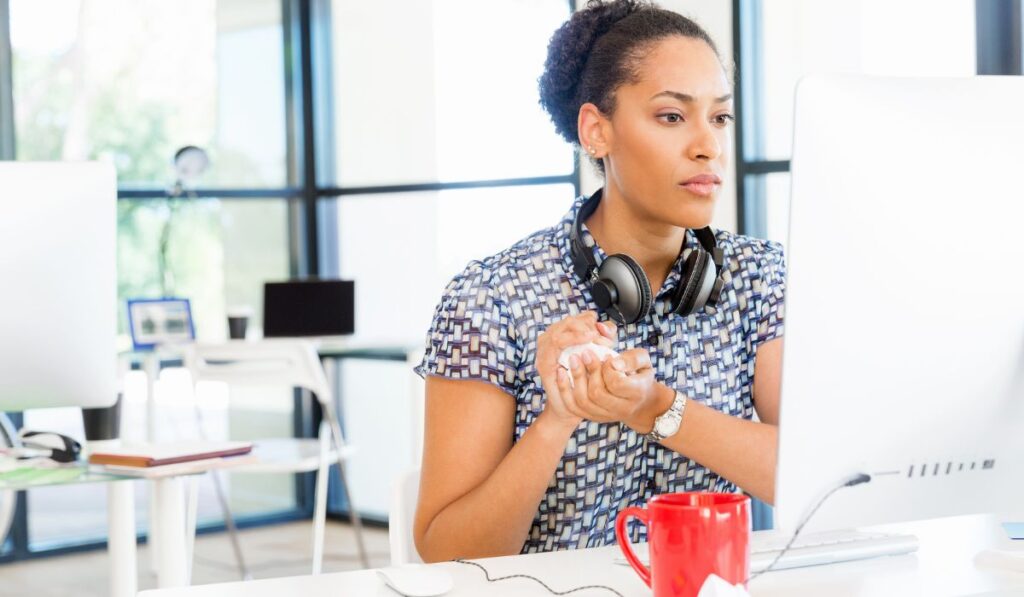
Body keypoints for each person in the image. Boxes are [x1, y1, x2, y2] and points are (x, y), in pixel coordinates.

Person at [412, 0, 785, 563]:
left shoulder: (760, 277)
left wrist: (657, 408)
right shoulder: (491, 297)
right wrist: (557, 418)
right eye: (671, 116)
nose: (708, 144)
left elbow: (810, 478)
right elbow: (448, 553)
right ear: (597, 131)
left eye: (720, 117)